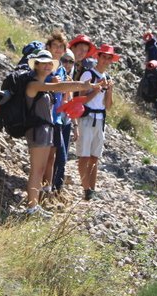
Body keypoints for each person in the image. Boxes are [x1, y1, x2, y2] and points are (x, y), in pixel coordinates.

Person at [24, 50, 102, 216]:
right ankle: (31, 207)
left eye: (49, 63)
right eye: (42, 63)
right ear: (36, 65)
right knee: (37, 169)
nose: (46, 66)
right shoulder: (33, 84)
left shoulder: (43, 84)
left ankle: (35, 204)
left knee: (42, 168)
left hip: (46, 129)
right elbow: (61, 87)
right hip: (37, 130)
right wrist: (85, 86)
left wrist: (87, 86)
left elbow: (61, 89)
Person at [74, 44, 118, 201]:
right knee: (84, 156)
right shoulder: (88, 75)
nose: (106, 60)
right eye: (103, 56)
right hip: (87, 117)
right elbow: (81, 98)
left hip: (100, 119)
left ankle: (91, 189)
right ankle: (86, 189)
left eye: (108, 58)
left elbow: (108, 106)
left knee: (94, 157)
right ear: (97, 57)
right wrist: (97, 88)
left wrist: (109, 90)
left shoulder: (108, 78)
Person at [41, 31, 68, 198]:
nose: (57, 49)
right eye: (55, 46)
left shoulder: (62, 70)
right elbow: (36, 83)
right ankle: (38, 187)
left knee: (52, 155)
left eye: (61, 47)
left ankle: (47, 189)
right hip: (43, 116)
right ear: (49, 47)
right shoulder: (43, 65)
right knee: (42, 155)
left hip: (57, 117)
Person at [53, 48, 76, 194]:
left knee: (63, 157)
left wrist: (76, 125)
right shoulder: (57, 76)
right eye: (65, 60)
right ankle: (50, 186)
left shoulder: (69, 79)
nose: (67, 64)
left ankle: (57, 187)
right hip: (55, 120)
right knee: (58, 156)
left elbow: (71, 103)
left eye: (71, 61)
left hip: (66, 121)